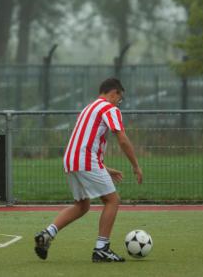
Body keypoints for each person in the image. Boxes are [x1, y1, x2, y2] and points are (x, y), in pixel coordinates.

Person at [34, 78, 143, 263]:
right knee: (112, 200)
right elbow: (122, 139)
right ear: (114, 92)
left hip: (71, 160)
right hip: (85, 160)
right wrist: (136, 165)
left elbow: (84, 141)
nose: (119, 102)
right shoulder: (109, 108)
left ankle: (47, 234)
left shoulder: (88, 108)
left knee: (82, 205)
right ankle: (102, 249)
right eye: (120, 97)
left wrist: (104, 168)